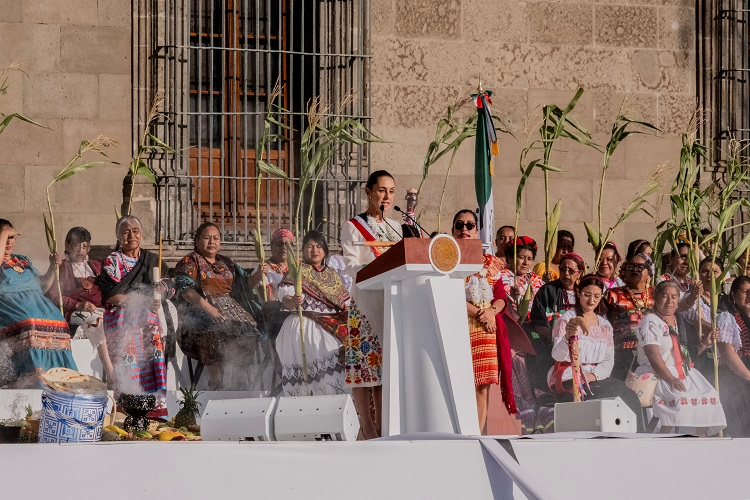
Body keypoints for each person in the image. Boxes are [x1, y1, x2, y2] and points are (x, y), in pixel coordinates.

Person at [341, 169, 402, 439]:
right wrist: (380, 269)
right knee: (364, 369)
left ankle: (384, 427)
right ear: (368, 192)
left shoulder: (397, 228)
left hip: (391, 304)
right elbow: (352, 265)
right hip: (365, 304)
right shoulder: (353, 226)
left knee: (383, 371)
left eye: (390, 192)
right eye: (381, 190)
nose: (386, 197)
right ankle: (367, 427)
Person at [174, 222, 266, 390]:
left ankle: (239, 379)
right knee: (212, 331)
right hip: (200, 311)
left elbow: (244, 286)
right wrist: (209, 309)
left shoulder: (227, 262)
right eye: (207, 238)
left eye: (216, 238)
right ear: (197, 240)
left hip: (232, 310)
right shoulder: (190, 261)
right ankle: (216, 380)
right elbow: (185, 290)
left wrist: (259, 275)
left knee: (248, 330)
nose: (212, 242)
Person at [548, 274, 644, 431]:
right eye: (587, 294)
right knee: (608, 395)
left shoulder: (605, 325)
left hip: (595, 377)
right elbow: (557, 355)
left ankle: (636, 436)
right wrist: (567, 337)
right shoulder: (568, 319)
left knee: (628, 395)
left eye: (596, 296)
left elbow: (608, 361)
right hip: (569, 375)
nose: (591, 300)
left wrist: (593, 376)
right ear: (578, 292)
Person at [97, 215, 171, 416]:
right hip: (121, 318)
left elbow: (169, 284)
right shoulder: (112, 261)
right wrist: (141, 301)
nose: (131, 235)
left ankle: (154, 412)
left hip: (148, 321)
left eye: (135, 231)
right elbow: (112, 296)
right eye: (125, 231)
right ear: (118, 236)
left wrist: (161, 288)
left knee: (154, 360)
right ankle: (126, 409)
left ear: (141, 234)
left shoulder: (152, 260)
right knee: (129, 360)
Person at [453, 210, 516, 433]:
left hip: (486, 329)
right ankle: (460, 432)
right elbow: (449, 295)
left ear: (476, 231)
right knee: (460, 384)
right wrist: (482, 313)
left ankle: (477, 435)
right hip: (458, 327)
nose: (464, 229)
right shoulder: (447, 260)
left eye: (469, 225)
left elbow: (500, 295)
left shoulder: (490, 262)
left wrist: (491, 311)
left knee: (482, 387)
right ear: (452, 230)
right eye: (459, 225)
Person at [635, 280, 726, 436]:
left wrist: (705, 342)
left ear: (678, 301)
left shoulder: (680, 321)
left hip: (683, 372)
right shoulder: (650, 321)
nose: (670, 301)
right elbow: (653, 355)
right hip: (659, 373)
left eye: (674, 297)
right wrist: (671, 379)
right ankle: (666, 441)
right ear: (656, 298)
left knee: (709, 396)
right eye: (665, 296)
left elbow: (686, 353)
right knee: (682, 401)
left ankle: (699, 440)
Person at [0, 219, 77, 388]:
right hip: (11, 306)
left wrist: (52, 267)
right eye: (6, 237)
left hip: (37, 303)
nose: (9, 241)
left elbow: (42, 286)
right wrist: (4, 233)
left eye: (12, 237)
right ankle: (34, 378)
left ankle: (59, 379)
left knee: (58, 321)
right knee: (30, 322)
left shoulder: (23, 260)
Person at [277, 230, 349, 396]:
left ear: (324, 250)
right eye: (309, 246)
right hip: (304, 323)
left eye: (318, 246)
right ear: (303, 250)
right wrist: (292, 301)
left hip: (331, 322)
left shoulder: (332, 273)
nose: (314, 250)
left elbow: (344, 301)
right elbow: (285, 296)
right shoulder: (297, 270)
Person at [46, 226, 114, 382]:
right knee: (93, 318)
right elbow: (53, 296)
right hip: (74, 315)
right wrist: (78, 305)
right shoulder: (62, 267)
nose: (82, 250)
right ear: (68, 246)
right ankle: (110, 372)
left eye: (85, 246)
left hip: (101, 310)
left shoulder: (96, 266)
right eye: (77, 245)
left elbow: (109, 288)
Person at [527, 253, 585, 390]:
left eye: (571, 271)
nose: (566, 274)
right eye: (563, 269)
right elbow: (538, 322)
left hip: (580, 347)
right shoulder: (547, 290)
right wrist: (556, 340)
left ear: (580, 273)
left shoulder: (583, 294)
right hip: (550, 345)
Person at [680, 257, 737, 380]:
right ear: (699, 274)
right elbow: (698, 322)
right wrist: (716, 330)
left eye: (714, 271)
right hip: (702, 356)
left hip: (727, 362)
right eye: (705, 271)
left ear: (722, 275)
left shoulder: (727, 300)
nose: (709, 275)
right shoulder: (694, 299)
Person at [607, 253, 656, 380]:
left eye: (640, 267)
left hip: (651, 352)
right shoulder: (613, 294)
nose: (635, 270)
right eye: (630, 266)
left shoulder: (657, 294)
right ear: (624, 271)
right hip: (622, 354)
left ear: (649, 272)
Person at [718, 276, 750, 436]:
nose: (749, 295)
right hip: (737, 377)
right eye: (745, 291)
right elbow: (728, 353)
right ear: (733, 294)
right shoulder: (727, 318)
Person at [499, 236, 543, 321]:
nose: (526, 263)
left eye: (529, 259)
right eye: (521, 257)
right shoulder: (502, 277)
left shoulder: (534, 279)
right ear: (510, 258)